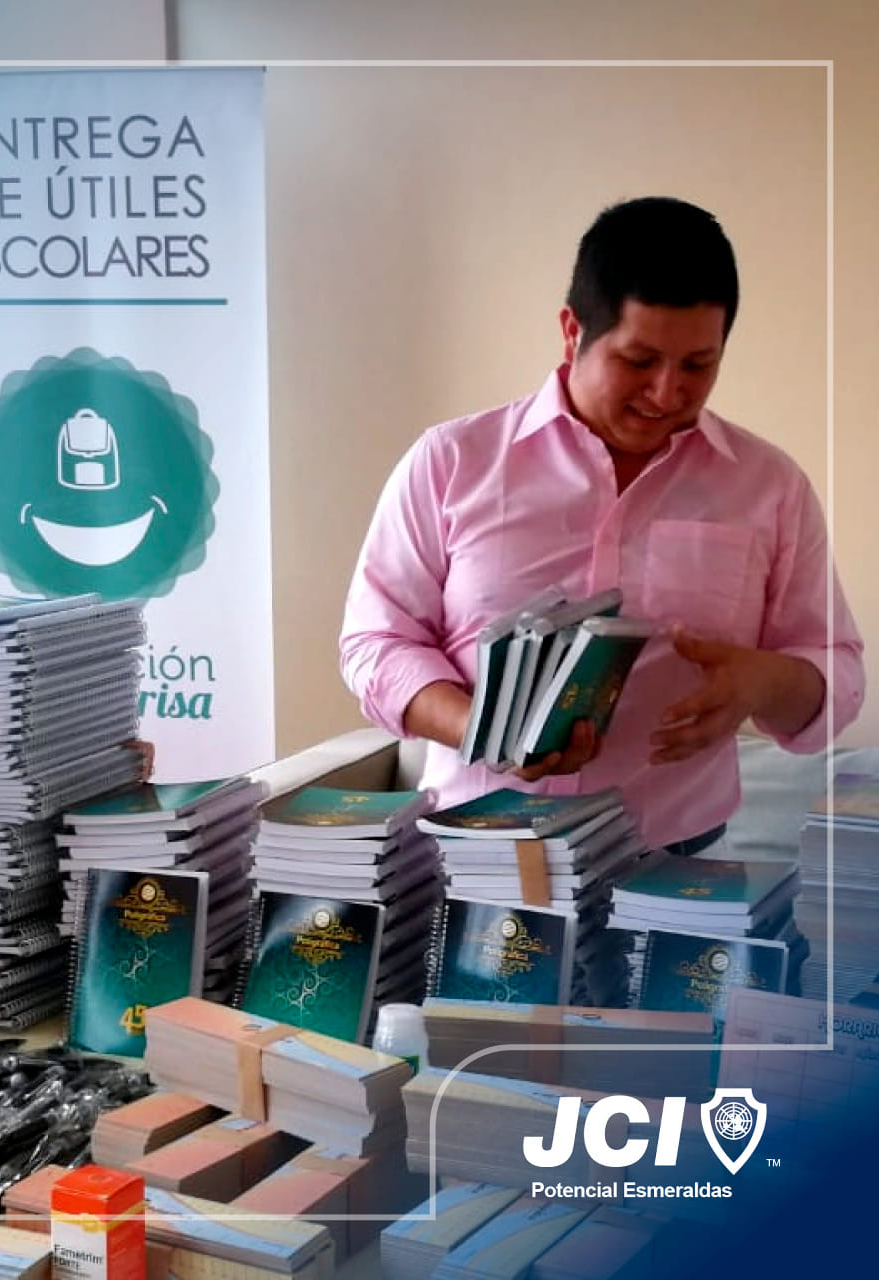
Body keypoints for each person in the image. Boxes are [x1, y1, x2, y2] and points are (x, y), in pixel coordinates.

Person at [339, 196, 864, 853]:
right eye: (639, 360)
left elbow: (838, 674)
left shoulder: (769, 486)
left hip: (677, 858)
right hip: (477, 853)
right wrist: (483, 730)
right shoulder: (452, 461)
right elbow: (375, 642)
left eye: (698, 365)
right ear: (572, 331)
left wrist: (762, 683)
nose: (667, 392)